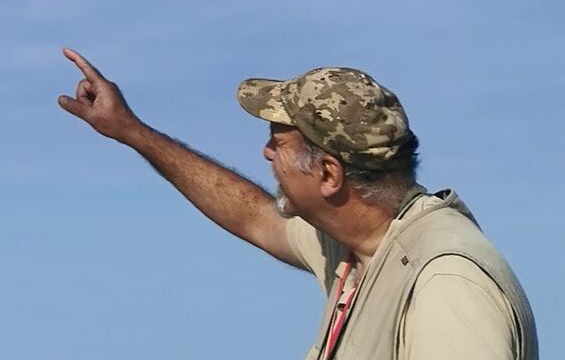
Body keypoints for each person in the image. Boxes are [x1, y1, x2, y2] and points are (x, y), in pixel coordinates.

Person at [57, 50, 537, 358]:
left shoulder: (446, 286)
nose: (266, 153)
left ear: (328, 174)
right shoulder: (360, 243)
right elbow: (253, 215)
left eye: (277, 141)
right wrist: (133, 133)